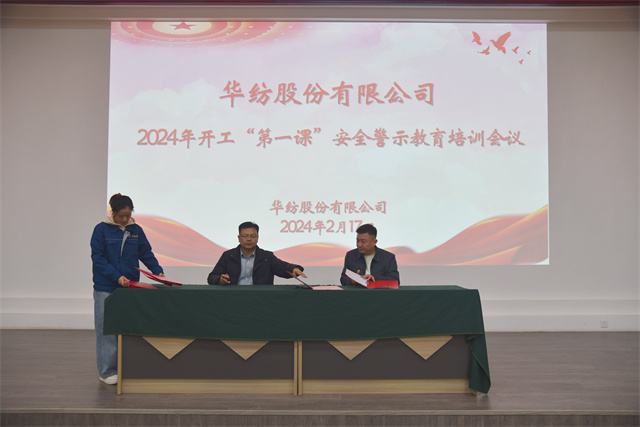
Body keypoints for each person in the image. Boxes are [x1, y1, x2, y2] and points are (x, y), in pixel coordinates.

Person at [90, 193, 164, 385]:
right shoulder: (101, 230)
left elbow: (145, 253)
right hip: (106, 287)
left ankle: (126, 367)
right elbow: (98, 258)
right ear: (113, 213)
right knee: (107, 330)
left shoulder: (136, 230)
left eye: (128, 215)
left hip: (129, 287)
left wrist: (158, 271)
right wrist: (116, 276)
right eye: (121, 216)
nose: (124, 219)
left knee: (127, 328)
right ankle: (107, 371)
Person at [207, 221, 306, 285]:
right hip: (233, 298)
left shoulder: (267, 257)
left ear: (257, 238)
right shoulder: (228, 256)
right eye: (245, 236)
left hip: (260, 299)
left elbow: (282, 267)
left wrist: (294, 269)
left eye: (253, 236)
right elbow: (212, 277)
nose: (249, 239)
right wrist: (219, 280)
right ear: (239, 238)